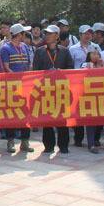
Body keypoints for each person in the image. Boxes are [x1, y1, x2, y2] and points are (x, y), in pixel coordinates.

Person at [32, 25, 73, 154]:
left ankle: (63, 145)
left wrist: (61, 72)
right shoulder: (39, 51)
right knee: (47, 119)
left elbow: (71, 69)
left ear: (57, 36)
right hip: (45, 90)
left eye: (50, 34)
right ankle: (48, 146)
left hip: (61, 90)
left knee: (62, 119)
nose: (47, 36)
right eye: (46, 34)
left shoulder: (65, 51)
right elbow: (35, 71)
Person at [0, 23, 34, 153]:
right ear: (19, 34)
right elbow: (6, 67)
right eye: (24, 33)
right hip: (11, 87)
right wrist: (17, 79)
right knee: (11, 115)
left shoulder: (25, 47)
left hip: (25, 86)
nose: (25, 35)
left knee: (26, 114)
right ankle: (10, 142)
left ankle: (25, 142)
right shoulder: (5, 48)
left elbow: (29, 64)